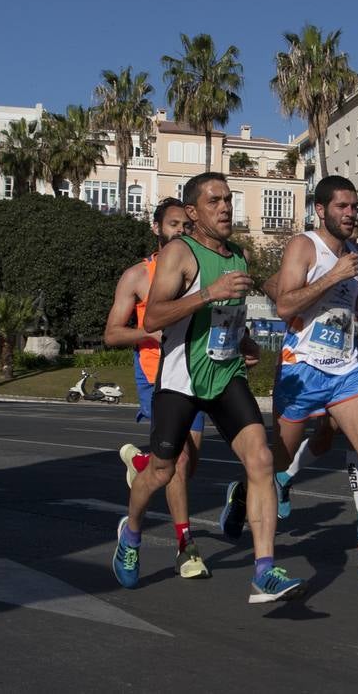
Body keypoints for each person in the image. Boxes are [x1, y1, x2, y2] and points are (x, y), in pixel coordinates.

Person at [112, 173, 306, 604]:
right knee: (162, 471)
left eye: (228, 199)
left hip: (226, 375)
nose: (225, 207)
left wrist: (246, 341)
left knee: (259, 459)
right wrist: (208, 292)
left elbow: (230, 317)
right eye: (214, 200)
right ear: (194, 212)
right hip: (181, 381)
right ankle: (132, 531)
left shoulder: (238, 254)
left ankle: (264, 570)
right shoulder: (179, 253)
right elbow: (154, 317)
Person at [251, 175, 358, 580]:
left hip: (345, 368)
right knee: (275, 462)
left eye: (355, 207)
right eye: (342, 207)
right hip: (301, 369)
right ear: (321, 210)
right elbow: (285, 304)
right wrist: (334, 277)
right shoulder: (305, 246)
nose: (351, 214)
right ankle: (245, 499)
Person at [104, 197, 210, 579]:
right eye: (173, 225)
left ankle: (142, 462)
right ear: (157, 228)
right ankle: (180, 545)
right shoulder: (137, 276)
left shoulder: (201, 271)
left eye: (186, 225)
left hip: (197, 373)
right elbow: (112, 334)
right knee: (178, 462)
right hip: (157, 377)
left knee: (186, 463)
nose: (181, 231)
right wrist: (152, 329)